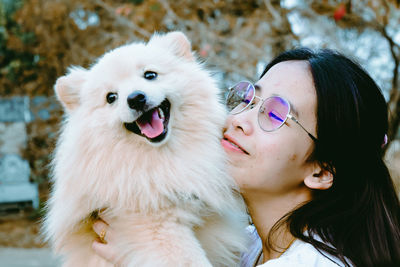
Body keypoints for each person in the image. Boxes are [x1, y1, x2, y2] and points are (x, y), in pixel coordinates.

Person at [91, 48, 400, 266]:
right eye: (249, 97)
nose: (239, 118)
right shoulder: (248, 246)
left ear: (321, 171)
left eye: (276, 114)